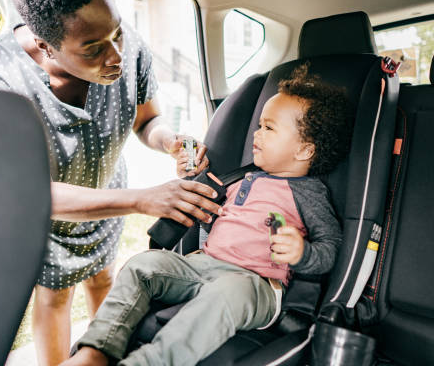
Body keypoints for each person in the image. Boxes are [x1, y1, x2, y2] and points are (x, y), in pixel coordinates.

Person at [0, 0, 221, 365]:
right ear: (46, 45)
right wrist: (143, 200)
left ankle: (102, 355)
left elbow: (147, 119)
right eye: (93, 49)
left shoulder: (128, 48)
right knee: (55, 296)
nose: (117, 55)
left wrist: (168, 141)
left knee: (104, 277)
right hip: (46, 218)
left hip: (109, 194)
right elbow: (27, 192)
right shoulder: (0, 80)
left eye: (118, 33)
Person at [60, 64, 353, 366]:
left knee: (228, 291)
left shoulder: (309, 192)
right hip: (200, 265)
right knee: (142, 265)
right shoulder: (244, 177)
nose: (257, 133)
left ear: (304, 150)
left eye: (269, 128)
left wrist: (302, 252)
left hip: (255, 283)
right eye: (259, 125)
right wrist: (193, 172)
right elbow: (206, 205)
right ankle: (95, 350)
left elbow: (330, 247)